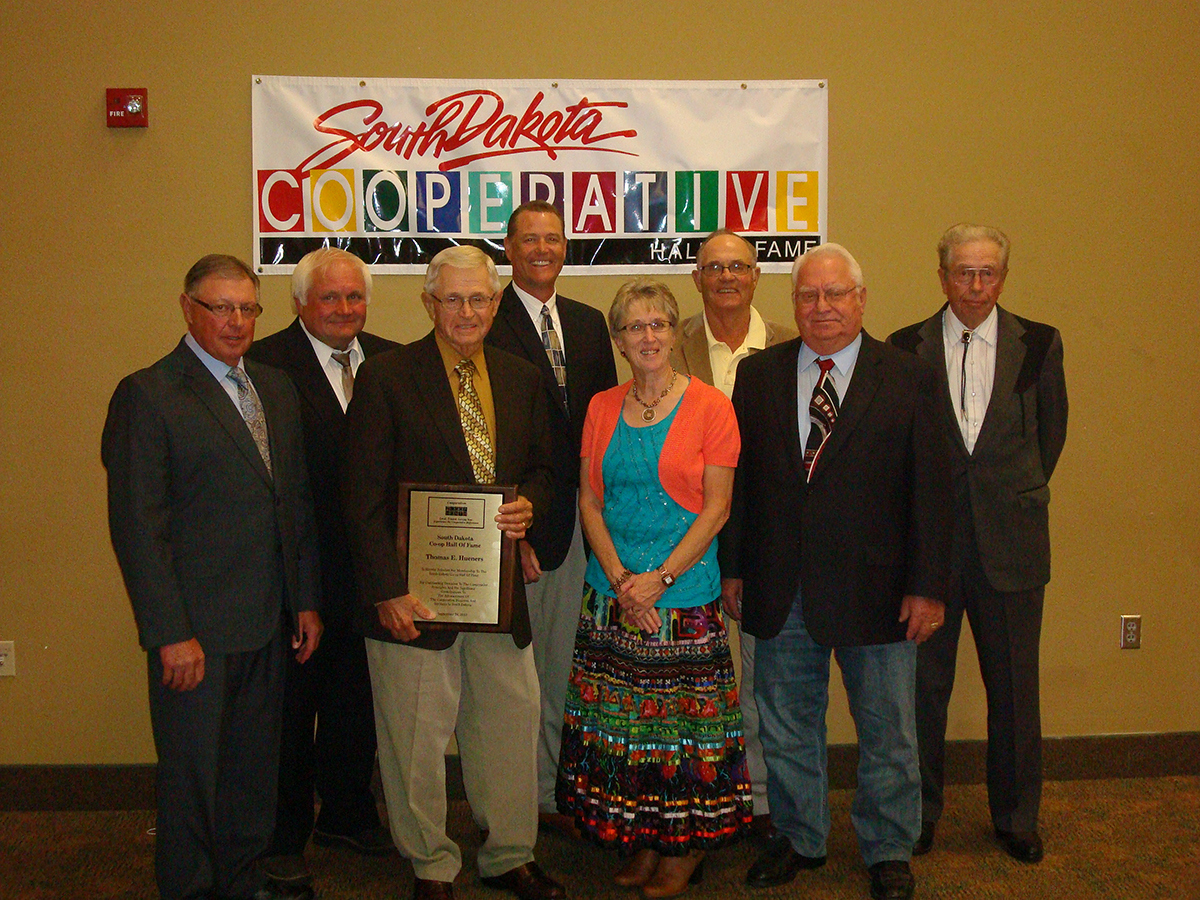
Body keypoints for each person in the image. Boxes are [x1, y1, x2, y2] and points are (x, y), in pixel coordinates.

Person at [719, 244, 951, 900]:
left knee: (888, 728)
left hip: (879, 589)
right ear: (793, 303)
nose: (820, 308)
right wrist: (734, 570)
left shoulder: (909, 376)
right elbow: (745, 486)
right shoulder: (759, 375)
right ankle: (800, 836)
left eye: (834, 295)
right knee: (786, 720)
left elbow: (932, 491)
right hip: (778, 582)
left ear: (860, 299)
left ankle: (887, 847)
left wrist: (928, 586)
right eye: (808, 296)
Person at [341, 246, 565, 900]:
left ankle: (509, 856)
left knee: (509, 728)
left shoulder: (522, 377)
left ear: (496, 304)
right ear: (429, 303)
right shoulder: (385, 377)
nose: (466, 311)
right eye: (453, 299)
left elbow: (545, 471)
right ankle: (431, 864)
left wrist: (530, 506)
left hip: (496, 595)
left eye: (478, 299)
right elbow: (361, 496)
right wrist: (386, 588)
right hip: (413, 598)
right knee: (413, 740)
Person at [102, 254, 322, 900]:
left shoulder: (275, 389)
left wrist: (305, 600)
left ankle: (241, 879)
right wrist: (169, 632)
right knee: (193, 782)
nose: (235, 321)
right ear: (187, 308)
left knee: (253, 777)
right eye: (219, 307)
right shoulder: (148, 394)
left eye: (246, 308)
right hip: (195, 636)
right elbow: (139, 529)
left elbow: (295, 502)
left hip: (268, 624)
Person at [556, 278, 751, 899]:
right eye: (634, 327)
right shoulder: (600, 407)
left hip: (683, 598)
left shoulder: (712, 407)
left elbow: (716, 509)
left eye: (659, 325)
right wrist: (621, 581)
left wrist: (658, 581)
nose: (648, 336)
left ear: (675, 333)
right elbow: (590, 500)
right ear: (617, 340)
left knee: (679, 735)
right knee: (627, 732)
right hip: (612, 595)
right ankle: (643, 840)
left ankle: (685, 852)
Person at [889, 224, 1068, 864]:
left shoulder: (1040, 344)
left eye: (986, 272)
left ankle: (1017, 817)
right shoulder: (905, 347)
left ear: (1002, 277)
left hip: (1011, 547)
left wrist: (1007, 496)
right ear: (942, 276)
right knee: (923, 693)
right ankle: (918, 816)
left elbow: (1050, 439)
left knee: (1016, 691)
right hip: (931, 552)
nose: (974, 285)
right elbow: (903, 452)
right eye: (962, 272)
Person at [246, 248, 398, 888]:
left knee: (358, 700)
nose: (344, 309)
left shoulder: (393, 361)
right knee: (291, 709)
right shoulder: (264, 366)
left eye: (354, 297)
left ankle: (346, 810)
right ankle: (282, 833)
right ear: (300, 303)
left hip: (374, 570)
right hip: (299, 572)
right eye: (330, 298)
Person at [485, 201, 618, 835]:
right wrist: (519, 532)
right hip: (519, 532)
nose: (543, 249)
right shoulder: (485, 320)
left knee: (562, 673)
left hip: (582, 533)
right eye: (529, 239)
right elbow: (487, 434)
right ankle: (510, 810)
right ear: (507, 249)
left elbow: (602, 432)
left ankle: (550, 797)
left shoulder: (590, 325)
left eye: (554, 239)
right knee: (511, 683)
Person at [670, 228, 797, 838]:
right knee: (691, 679)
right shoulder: (668, 344)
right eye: (714, 266)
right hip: (684, 534)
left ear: (756, 277)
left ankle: (762, 802)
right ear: (696, 278)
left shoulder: (792, 346)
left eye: (739, 266)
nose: (727, 277)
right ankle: (692, 805)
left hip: (764, 535)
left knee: (761, 674)